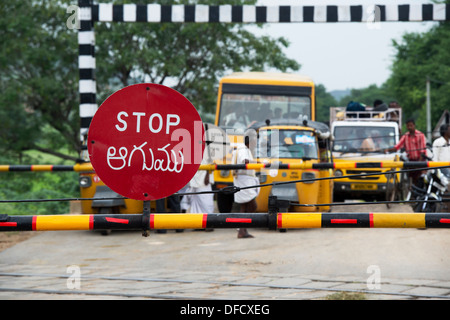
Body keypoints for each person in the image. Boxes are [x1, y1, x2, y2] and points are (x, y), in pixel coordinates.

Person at [232, 133, 260, 239]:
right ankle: (242, 228)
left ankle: (242, 230)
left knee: (245, 206)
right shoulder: (243, 150)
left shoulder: (243, 148)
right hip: (244, 181)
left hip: (244, 180)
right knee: (253, 206)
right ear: (251, 141)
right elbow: (245, 161)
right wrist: (258, 162)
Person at [386, 118, 428, 183]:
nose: (409, 127)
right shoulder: (405, 136)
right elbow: (397, 146)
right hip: (410, 161)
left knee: (420, 180)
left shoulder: (420, 135)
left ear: (414, 125)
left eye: (411, 125)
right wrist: (387, 150)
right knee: (410, 180)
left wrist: (418, 164)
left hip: (420, 161)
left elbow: (422, 151)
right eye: (408, 126)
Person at [180, 157, 215, 231]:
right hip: (194, 182)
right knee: (187, 202)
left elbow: (211, 164)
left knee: (207, 204)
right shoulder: (192, 154)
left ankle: (209, 224)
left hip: (204, 183)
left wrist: (208, 176)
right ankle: (197, 224)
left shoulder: (207, 152)